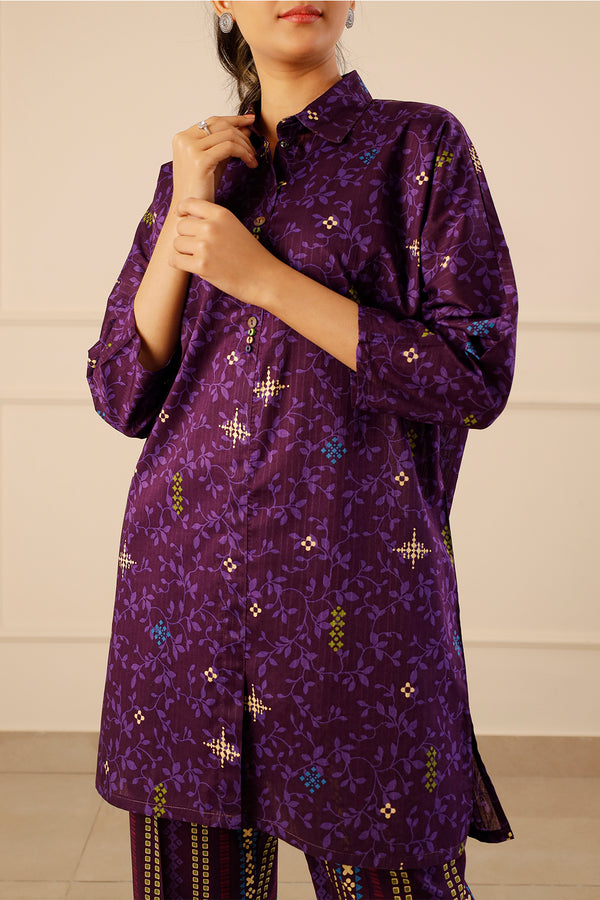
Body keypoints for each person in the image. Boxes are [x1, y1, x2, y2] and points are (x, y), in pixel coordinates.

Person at [87, 2, 518, 898]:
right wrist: (186, 210)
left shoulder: (419, 147)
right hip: (184, 595)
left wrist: (265, 281)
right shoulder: (191, 175)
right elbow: (121, 391)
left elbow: (472, 375)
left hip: (357, 598)